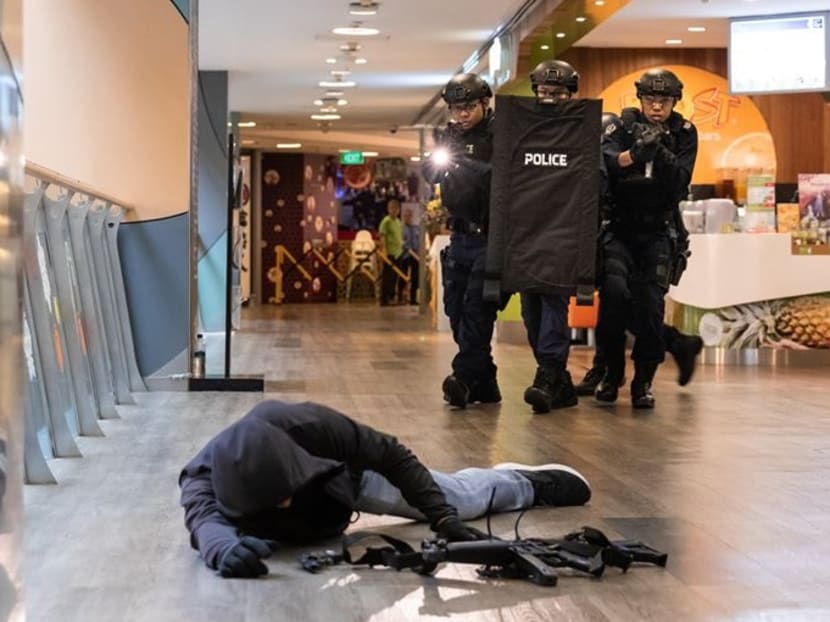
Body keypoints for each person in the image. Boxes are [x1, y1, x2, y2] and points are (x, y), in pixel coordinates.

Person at [179, 400, 592, 578]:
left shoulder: (309, 426)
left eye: (287, 493)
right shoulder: (202, 476)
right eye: (276, 503)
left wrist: (442, 517)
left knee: (459, 500)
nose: (285, 504)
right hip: (313, 519)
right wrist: (224, 551)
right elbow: (204, 523)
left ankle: (525, 483)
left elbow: (391, 455)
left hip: (344, 485)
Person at [594, 69, 698, 408]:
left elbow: (681, 182)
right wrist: (636, 154)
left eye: (664, 101)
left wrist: (662, 153)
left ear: (674, 103)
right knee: (613, 299)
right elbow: (606, 166)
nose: (656, 107)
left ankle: (643, 381)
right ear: (640, 100)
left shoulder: (684, 133)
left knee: (650, 306)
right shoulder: (620, 127)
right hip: (620, 228)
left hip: (658, 230)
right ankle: (611, 373)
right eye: (651, 100)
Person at [423, 73, 501, 408]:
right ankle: (486, 380)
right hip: (459, 236)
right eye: (456, 108)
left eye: (468, 107)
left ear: (484, 103)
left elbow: (500, 176)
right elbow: (431, 172)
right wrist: (437, 164)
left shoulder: (500, 134)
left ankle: (463, 378)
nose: (463, 114)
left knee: (477, 310)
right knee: (455, 311)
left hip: (490, 238)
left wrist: (467, 163)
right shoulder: (449, 135)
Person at [518, 59, 585, 414]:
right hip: (528, 235)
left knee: (554, 309)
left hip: (564, 234)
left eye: (557, 93)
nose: (549, 99)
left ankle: (546, 374)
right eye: (544, 93)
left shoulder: (583, 130)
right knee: (531, 312)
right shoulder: (520, 129)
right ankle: (559, 383)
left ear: (570, 95)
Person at [377, 199, 403, 306]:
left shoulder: (398, 222)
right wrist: (384, 251)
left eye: (397, 209)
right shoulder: (386, 221)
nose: (395, 211)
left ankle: (392, 297)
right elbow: (382, 236)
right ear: (389, 209)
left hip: (398, 253)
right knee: (387, 276)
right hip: (389, 253)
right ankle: (384, 299)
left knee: (395, 277)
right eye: (392, 208)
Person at [398, 207, 420, 305]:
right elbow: (401, 242)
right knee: (403, 276)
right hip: (405, 255)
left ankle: (413, 298)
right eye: (406, 216)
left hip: (416, 256)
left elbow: (418, 241)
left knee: (415, 278)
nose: (408, 218)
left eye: (409, 216)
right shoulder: (401, 228)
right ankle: (399, 297)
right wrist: (408, 249)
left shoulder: (416, 228)